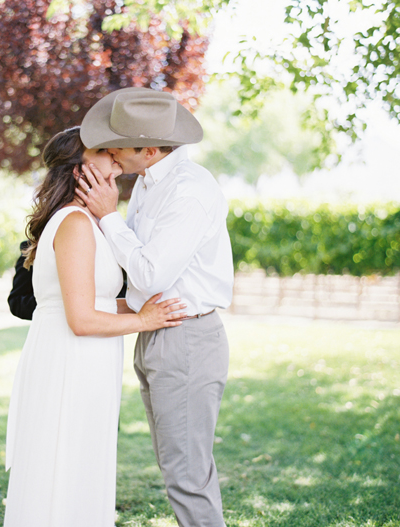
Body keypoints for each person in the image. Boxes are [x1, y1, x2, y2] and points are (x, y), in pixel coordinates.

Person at [2, 126, 186, 527]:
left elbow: (94, 300)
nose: (116, 154)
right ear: (80, 169)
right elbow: (81, 318)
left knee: (82, 463)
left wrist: (137, 305)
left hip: (87, 361)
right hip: (70, 361)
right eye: (104, 150)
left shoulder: (89, 222)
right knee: (64, 467)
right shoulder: (75, 224)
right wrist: (143, 320)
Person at [77, 87, 235, 527]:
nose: (110, 152)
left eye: (117, 145)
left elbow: (150, 274)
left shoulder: (189, 191)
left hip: (185, 337)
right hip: (155, 333)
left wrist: (108, 215)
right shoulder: (149, 183)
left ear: (148, 149)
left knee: (186, 475)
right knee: (178, 468)